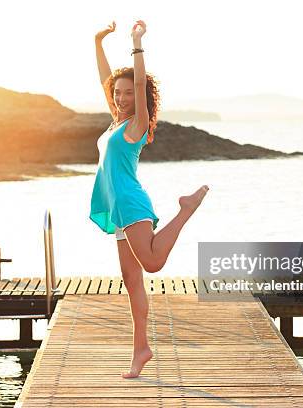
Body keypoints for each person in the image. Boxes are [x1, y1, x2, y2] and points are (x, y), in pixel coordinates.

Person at [90, 19, 210, 379]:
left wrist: (136, 43)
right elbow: (105, 81)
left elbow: (139, 82)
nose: (122, 98)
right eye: (119, 94)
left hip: (130, 203)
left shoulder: (136, 126)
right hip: (118, 208)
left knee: (153, 264)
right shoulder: (115, 123)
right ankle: (140, 348)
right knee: (132, 279)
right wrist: (98, 43)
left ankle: (186, 209)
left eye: (128, 94)